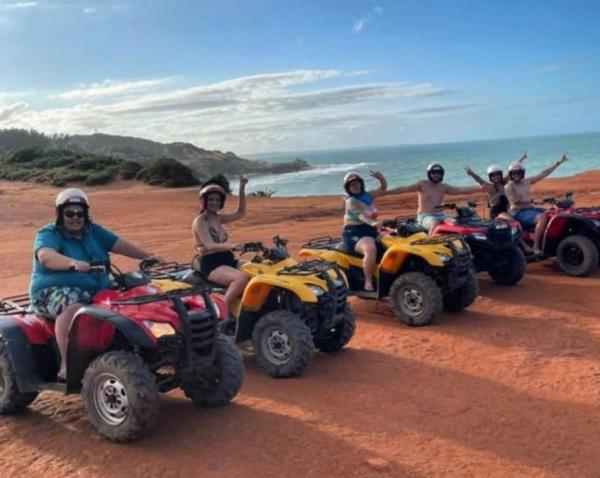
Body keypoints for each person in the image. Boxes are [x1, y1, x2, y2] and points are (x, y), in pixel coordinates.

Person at [29, 188, 162, 381]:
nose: (75, 218)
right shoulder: (49, 233)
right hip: (50, 290)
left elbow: (119, 245)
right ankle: (68, 365)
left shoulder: (93, 231)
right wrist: (72, 263)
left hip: (96, 287)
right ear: (59, 214)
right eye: (70, 213)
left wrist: (148, 256)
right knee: (72, 306)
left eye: (80, 213)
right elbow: (45, 256)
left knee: (133, 296)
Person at [192, 174, 249, 306]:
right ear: (204, 201)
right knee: (241, 278)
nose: (214, 202)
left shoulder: (218, 218)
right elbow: (209, 245)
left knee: (257, 268)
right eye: (211, 199)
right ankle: (224, 311)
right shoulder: (200, 221)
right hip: (212, 264)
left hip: (227, 259)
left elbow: (240, 212)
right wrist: (232, 246)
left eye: (217, 200)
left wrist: (242, 187)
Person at [387, 163, 481, 234]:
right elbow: (405, 189)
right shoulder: (423, 184)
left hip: (440, 214)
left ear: (442, 174)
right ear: (429, 173)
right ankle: (429, 244)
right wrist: (386, 192)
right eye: (433, 172)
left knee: (455, 223)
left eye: (439, 173)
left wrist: (481, 187)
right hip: (424, 216)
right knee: (434, 223)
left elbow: (461, 189)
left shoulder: (443, 187)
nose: (436, 174)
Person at [505, 153, 568, 255]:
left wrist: (558, 163)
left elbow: (543, 173)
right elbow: (515, 200)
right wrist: (535, 200)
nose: (516, 175)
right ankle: (536, 246)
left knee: (553, 213)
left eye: (518, 173)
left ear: (522, 173)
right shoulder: (509, 186)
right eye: (514, 173)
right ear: (510, 174)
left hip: (530, 209)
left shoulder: (526, 182)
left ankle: (552, 241)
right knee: (541, 218)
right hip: (517, 212)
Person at [342, 170, 387, 292]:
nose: (355, 186)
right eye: (352, 185)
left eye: (357, 183)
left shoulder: (367, 195)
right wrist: (373, 223)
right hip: (354, 232)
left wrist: (381, 178)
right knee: (370, 249)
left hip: (371, 229)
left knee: (391, 240)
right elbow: (360, 216)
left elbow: (383, 189)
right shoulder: (351, 201)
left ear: (361, 184)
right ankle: (368, 281)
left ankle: (383, 272)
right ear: (348, 188)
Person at [464, 151, 527, 220]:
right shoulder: (491, 187)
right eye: (493, 175)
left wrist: (522, 159)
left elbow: (513, 169)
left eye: (497, 174)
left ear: (501, 175)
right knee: (513, 221)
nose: (496, 176)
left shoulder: (504, 183)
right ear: (490, 177)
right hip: (496, 212)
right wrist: (471, 173)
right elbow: (480, 180)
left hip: (505, 211)